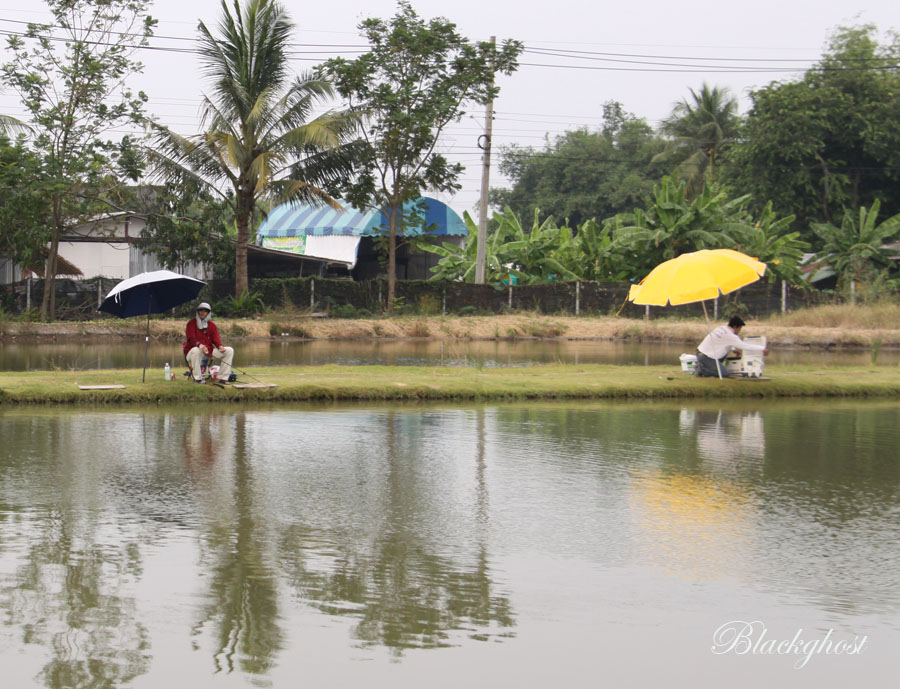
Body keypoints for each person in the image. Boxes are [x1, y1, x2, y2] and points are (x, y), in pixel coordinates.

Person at [696, 316, 768, 378]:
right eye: (740, 328)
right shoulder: (731, 336)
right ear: (735, 327)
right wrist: (762, 348)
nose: (739, 331)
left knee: (726, 351)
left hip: (699, 353)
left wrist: (733, 349)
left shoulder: (721, 328)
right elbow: (744, 346)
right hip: (706, 357)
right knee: (724, 374)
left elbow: (721, 343)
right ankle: (702, 370)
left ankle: (709, 367)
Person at [183, 302, 235, 383]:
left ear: (208, 313)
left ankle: (222, 378)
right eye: (201, 310)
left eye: (205, 311)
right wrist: (201, 346)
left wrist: (220, 346)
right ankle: (198, 379)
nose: (203, 312)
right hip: (192, 352)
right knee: (196, 350)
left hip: (208, 352)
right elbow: (191, 339)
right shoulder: (191, 324)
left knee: (229, 350)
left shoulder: (212, 325)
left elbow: (216, 339)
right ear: (198, 311)